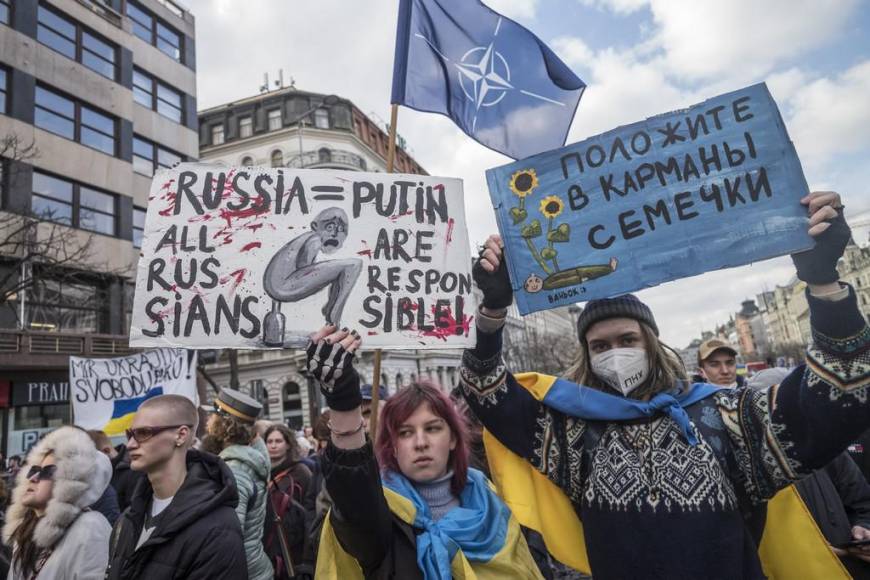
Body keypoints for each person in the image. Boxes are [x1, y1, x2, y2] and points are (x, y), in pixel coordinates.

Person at [462, 191, 870, 578]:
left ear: (651, 344)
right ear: (586, 355)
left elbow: (843, 393)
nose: (615, 354)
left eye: (627, 341)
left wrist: (824, 285)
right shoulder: (571, 433)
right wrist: (492, 311)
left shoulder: (728, 415)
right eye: (600, 346)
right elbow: (485, 389)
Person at [308, 325, 544, 579]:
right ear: (393, 446)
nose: (420, 442)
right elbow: (354, 496)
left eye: (432, 428)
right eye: (406, 432)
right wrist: (343, 401)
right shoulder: (381, 516)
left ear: (453, 438)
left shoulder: (497, 504)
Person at [106, 394, 246, 580]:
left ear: (181, 435)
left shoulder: (218, 527)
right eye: (130, 434)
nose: (130, 444)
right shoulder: (128, 519)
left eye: (143, 433)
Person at [749, 366, 870, 578]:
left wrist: (862, 531)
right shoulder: (746, 470)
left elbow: (862, 502)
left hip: (846, 569)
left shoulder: (828, 448)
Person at [2, 426, 111, 579]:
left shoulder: (90, 526)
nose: (33, 478)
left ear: (70, 481)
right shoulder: (26, 529)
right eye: (34, 469)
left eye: (47, 471)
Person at [205, 389, 273, 580]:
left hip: (244, 571)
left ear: (224, 424)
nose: (208, 420)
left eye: (213, 415)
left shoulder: (236, 469)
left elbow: (230, 537)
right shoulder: (251, 455)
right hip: (254, 565)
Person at [263, 424, 313, 579]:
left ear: (288, 444)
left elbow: (310, 513)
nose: (273, 445)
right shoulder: (261, 472)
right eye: (269, 441)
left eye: (278, 441)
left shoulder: (301, 472)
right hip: (269, 544)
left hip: (295, 546)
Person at [88, 429, 146, 514]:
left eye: (91, 458)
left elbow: (134, 513)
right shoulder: (98, 474)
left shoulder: (134, 472)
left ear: (106, 451)